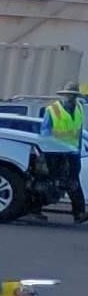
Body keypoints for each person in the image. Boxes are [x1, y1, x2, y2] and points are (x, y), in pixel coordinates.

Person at [43, 86, 85, 224]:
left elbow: (78, 132)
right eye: (68, 95)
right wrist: (48, 148)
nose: (70, 98)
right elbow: (45, 131)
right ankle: (35, 210)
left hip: (72, 152)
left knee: (74, 182)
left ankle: (79, 214)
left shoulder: (79, 109)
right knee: (52, 181)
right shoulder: (53, 109)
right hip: (56, 152)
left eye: (73, 95)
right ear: (63, 95)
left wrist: (78, 150)